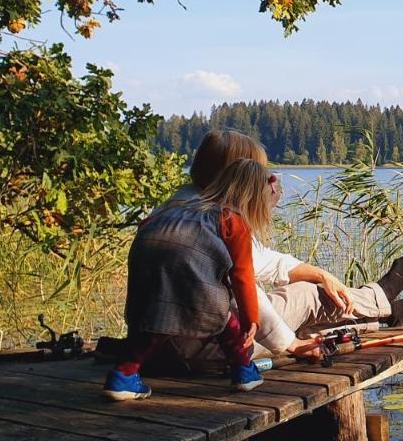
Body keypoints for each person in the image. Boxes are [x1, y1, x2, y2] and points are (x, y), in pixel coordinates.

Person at [170, 130, 403, 365]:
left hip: (175, 345)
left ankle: (386, 314)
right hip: (212, 348)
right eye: (259, 176)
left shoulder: (182, 208)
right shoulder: (217, 221)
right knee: (308, 298)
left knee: (308, 324)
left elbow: (262, 262)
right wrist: (292, 345)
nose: (264, 183)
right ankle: (383, 300)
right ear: (237, 175)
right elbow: (249, 293)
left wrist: (322, 274)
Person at [103, 159, 278, 400]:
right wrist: (252, 319)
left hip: (146, 254)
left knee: (156, 319)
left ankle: (123, 375)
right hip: (187, 268)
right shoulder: (231, 219)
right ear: (253, 198)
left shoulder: (179, 207)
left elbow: (147, 225)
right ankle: (243, 371)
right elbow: (241, 276)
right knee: (222, 316)